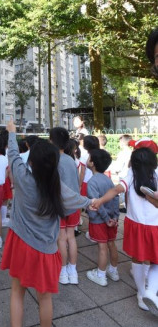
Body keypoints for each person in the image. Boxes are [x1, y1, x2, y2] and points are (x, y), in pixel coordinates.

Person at [1, 119, 97, 327]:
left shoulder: (23, 179)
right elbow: (83, 202)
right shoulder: (59, 189)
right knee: (45, 298)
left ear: (31, 162)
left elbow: (12, 154)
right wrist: (91, 203)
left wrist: (11, 132)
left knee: (17, 292)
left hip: (20, 244)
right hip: (46, 249)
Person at [92, 142, 158, 315]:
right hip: (155, 225)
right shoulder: (157, 174)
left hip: (135, 224)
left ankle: (142, 294)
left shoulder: (131, 174)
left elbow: (115, 190)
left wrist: (99, 201)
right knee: (156, 261)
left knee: (137, 258)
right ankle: (150, 291)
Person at [50, 127, 80, 285]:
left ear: (51, 141)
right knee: (71, 238)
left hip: (60, 205)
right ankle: (73, 271)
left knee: (61, 238)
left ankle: (62, 271)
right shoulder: (71, 160)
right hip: (74, 205)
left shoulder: (54, 160)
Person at [86, 149, 120, 287]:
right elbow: (115, 198)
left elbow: (97, 205)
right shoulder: (108, 179)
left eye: (89, 158)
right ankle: (114, 271)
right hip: (112, 219)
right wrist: (115, 217)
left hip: (101, 220)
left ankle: (101, 274)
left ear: (92, 163)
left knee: (102, 247)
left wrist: (106, 219)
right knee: (111, 244)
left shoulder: (92, 182)